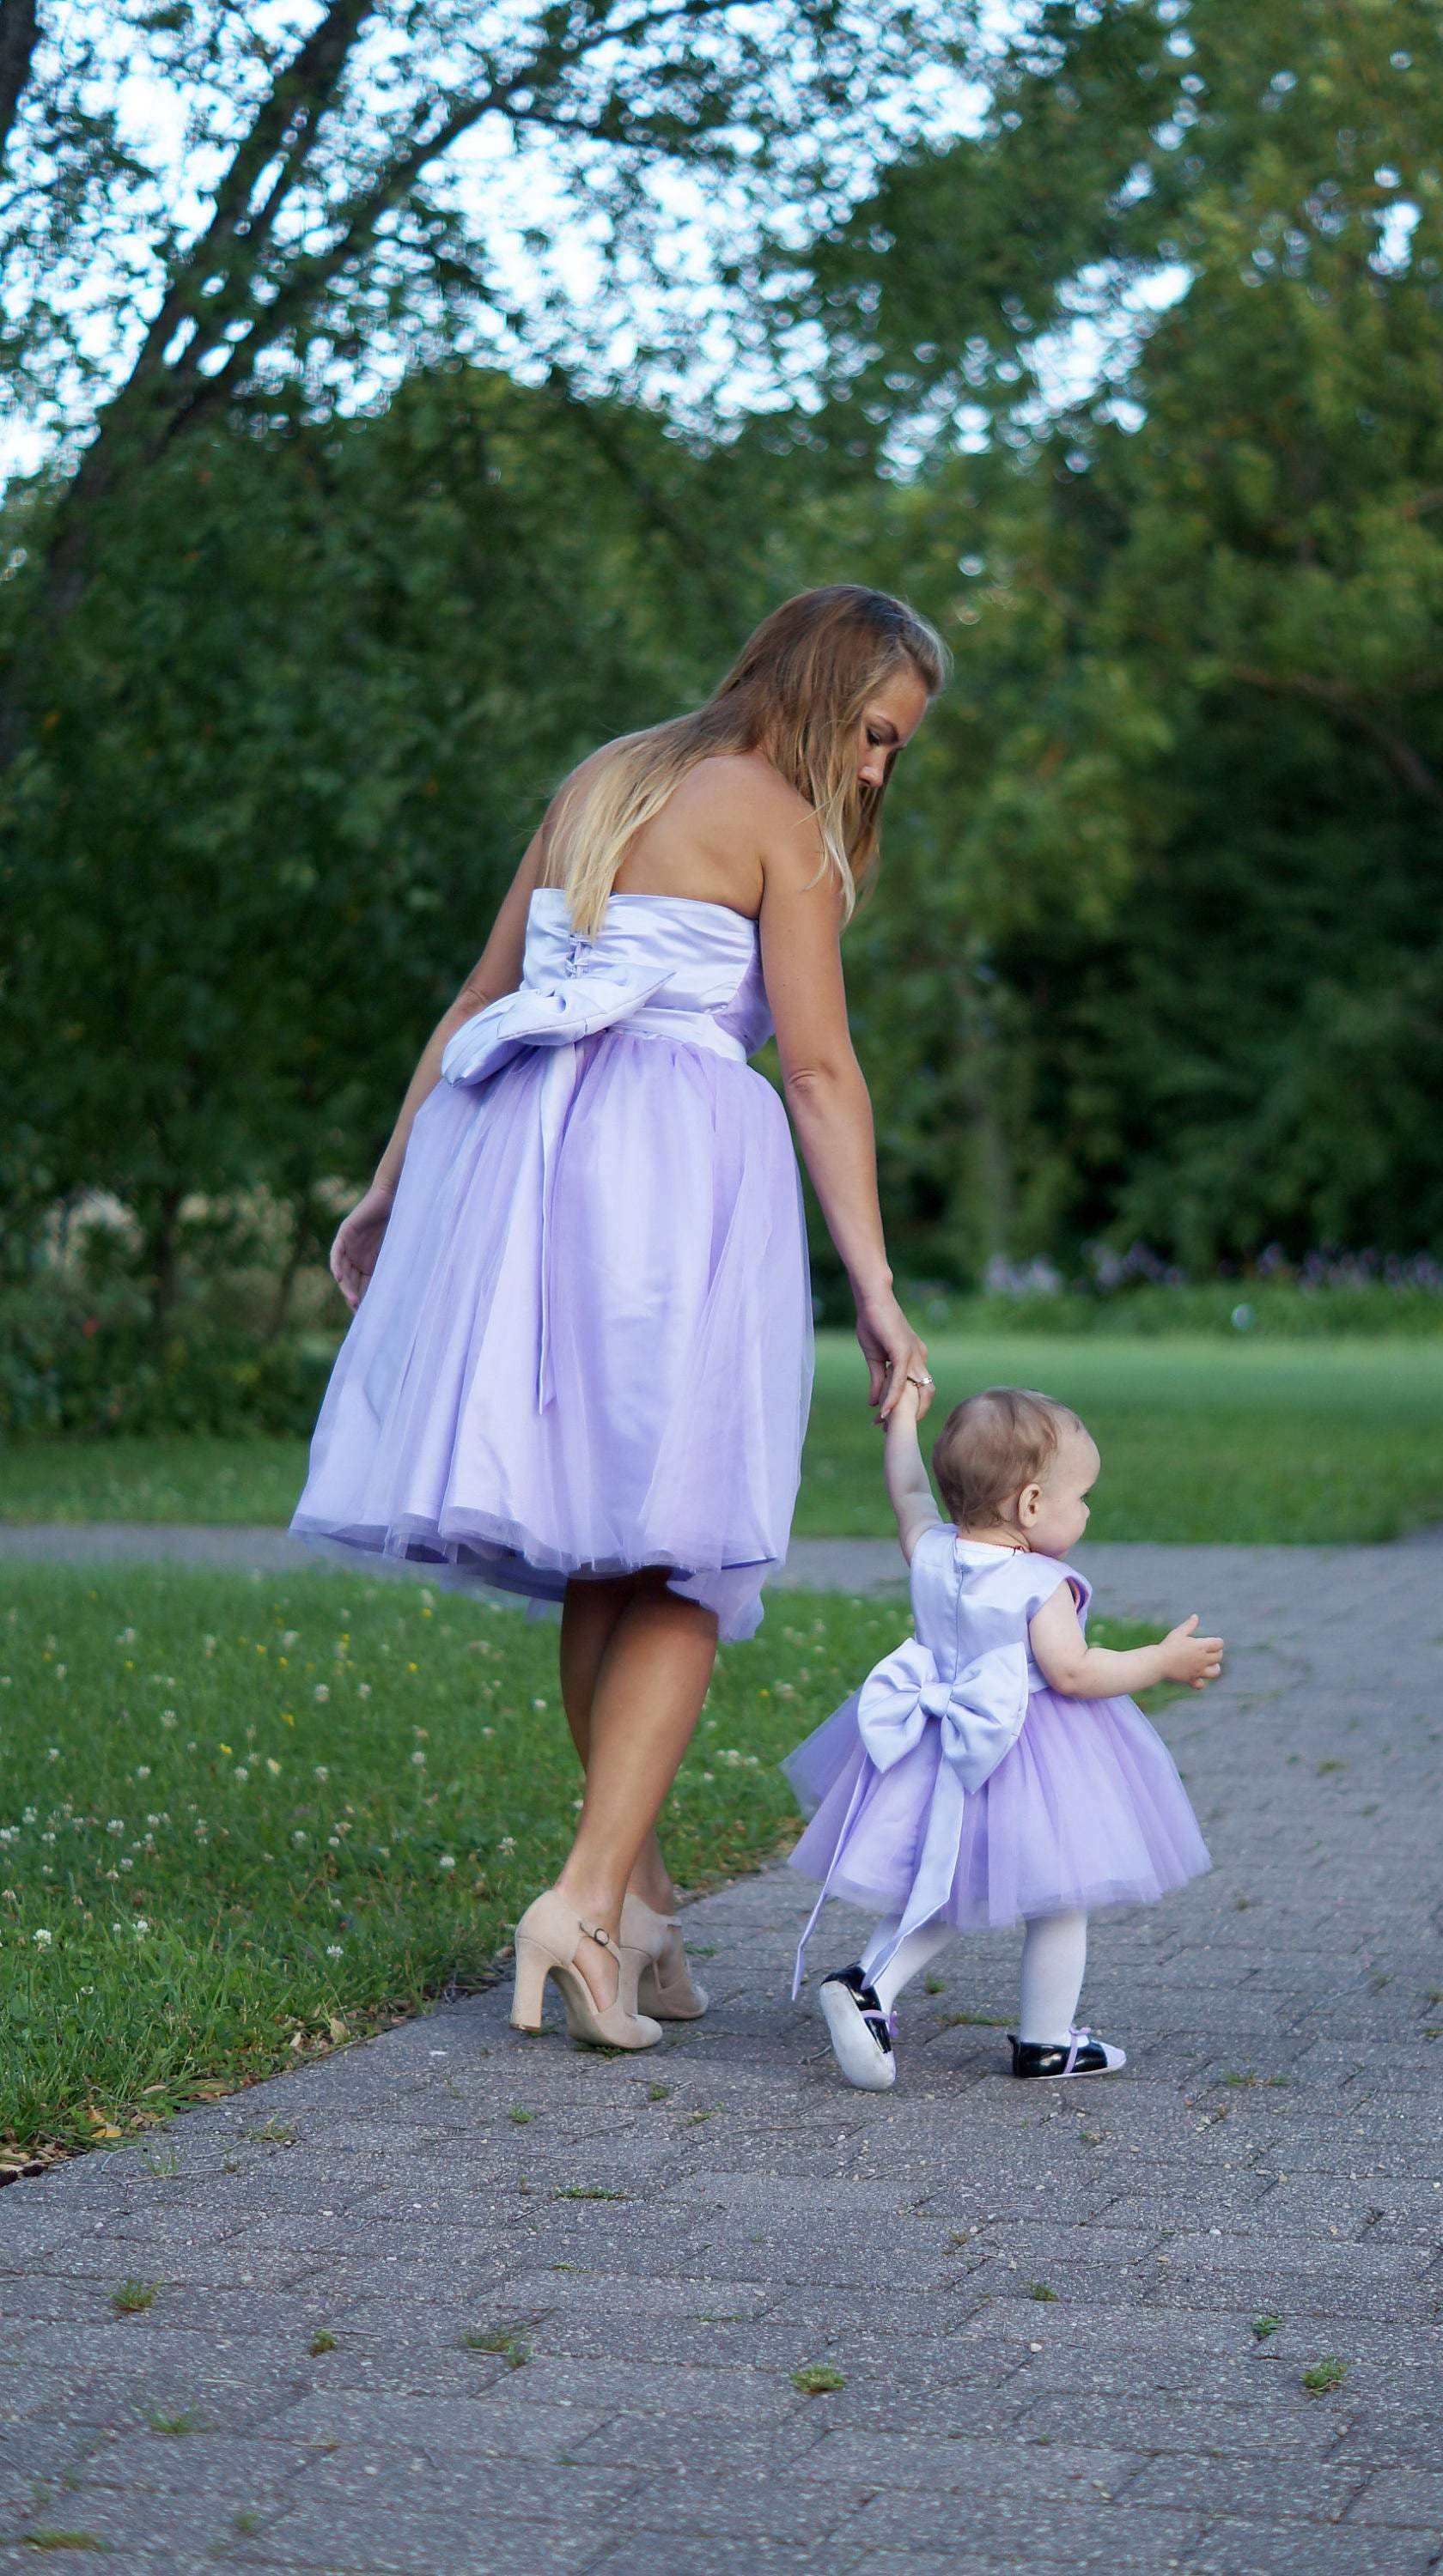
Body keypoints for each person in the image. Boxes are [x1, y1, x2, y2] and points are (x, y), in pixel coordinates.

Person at [290, 585, 944, 2052]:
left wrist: (394, 1192)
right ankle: (581, 1903)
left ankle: (635, 1902)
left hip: (523, 1163)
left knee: (609, 1544)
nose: (875, 772)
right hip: (667, 1180)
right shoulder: (776, 820)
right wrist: (877, 1292)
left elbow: (473, 1001)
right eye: (876, 735)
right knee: (682, 1549)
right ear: (825, 693)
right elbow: (823, 1076)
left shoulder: (607, 779)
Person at [783, 1382, 1220, 2088]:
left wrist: (901, 1426)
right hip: (1025, 1754)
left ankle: (871, 1983)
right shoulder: (1038, 1582)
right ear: (1031, 1506)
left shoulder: (930, 1548)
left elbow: (907, 1491)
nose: (1086, 1511)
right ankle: (1046, 2042)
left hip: (938, 1744)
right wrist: (1161, 1663)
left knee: (942, 1879)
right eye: (1080, 1498)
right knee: (1060, 1898)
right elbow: (1074, 1673)